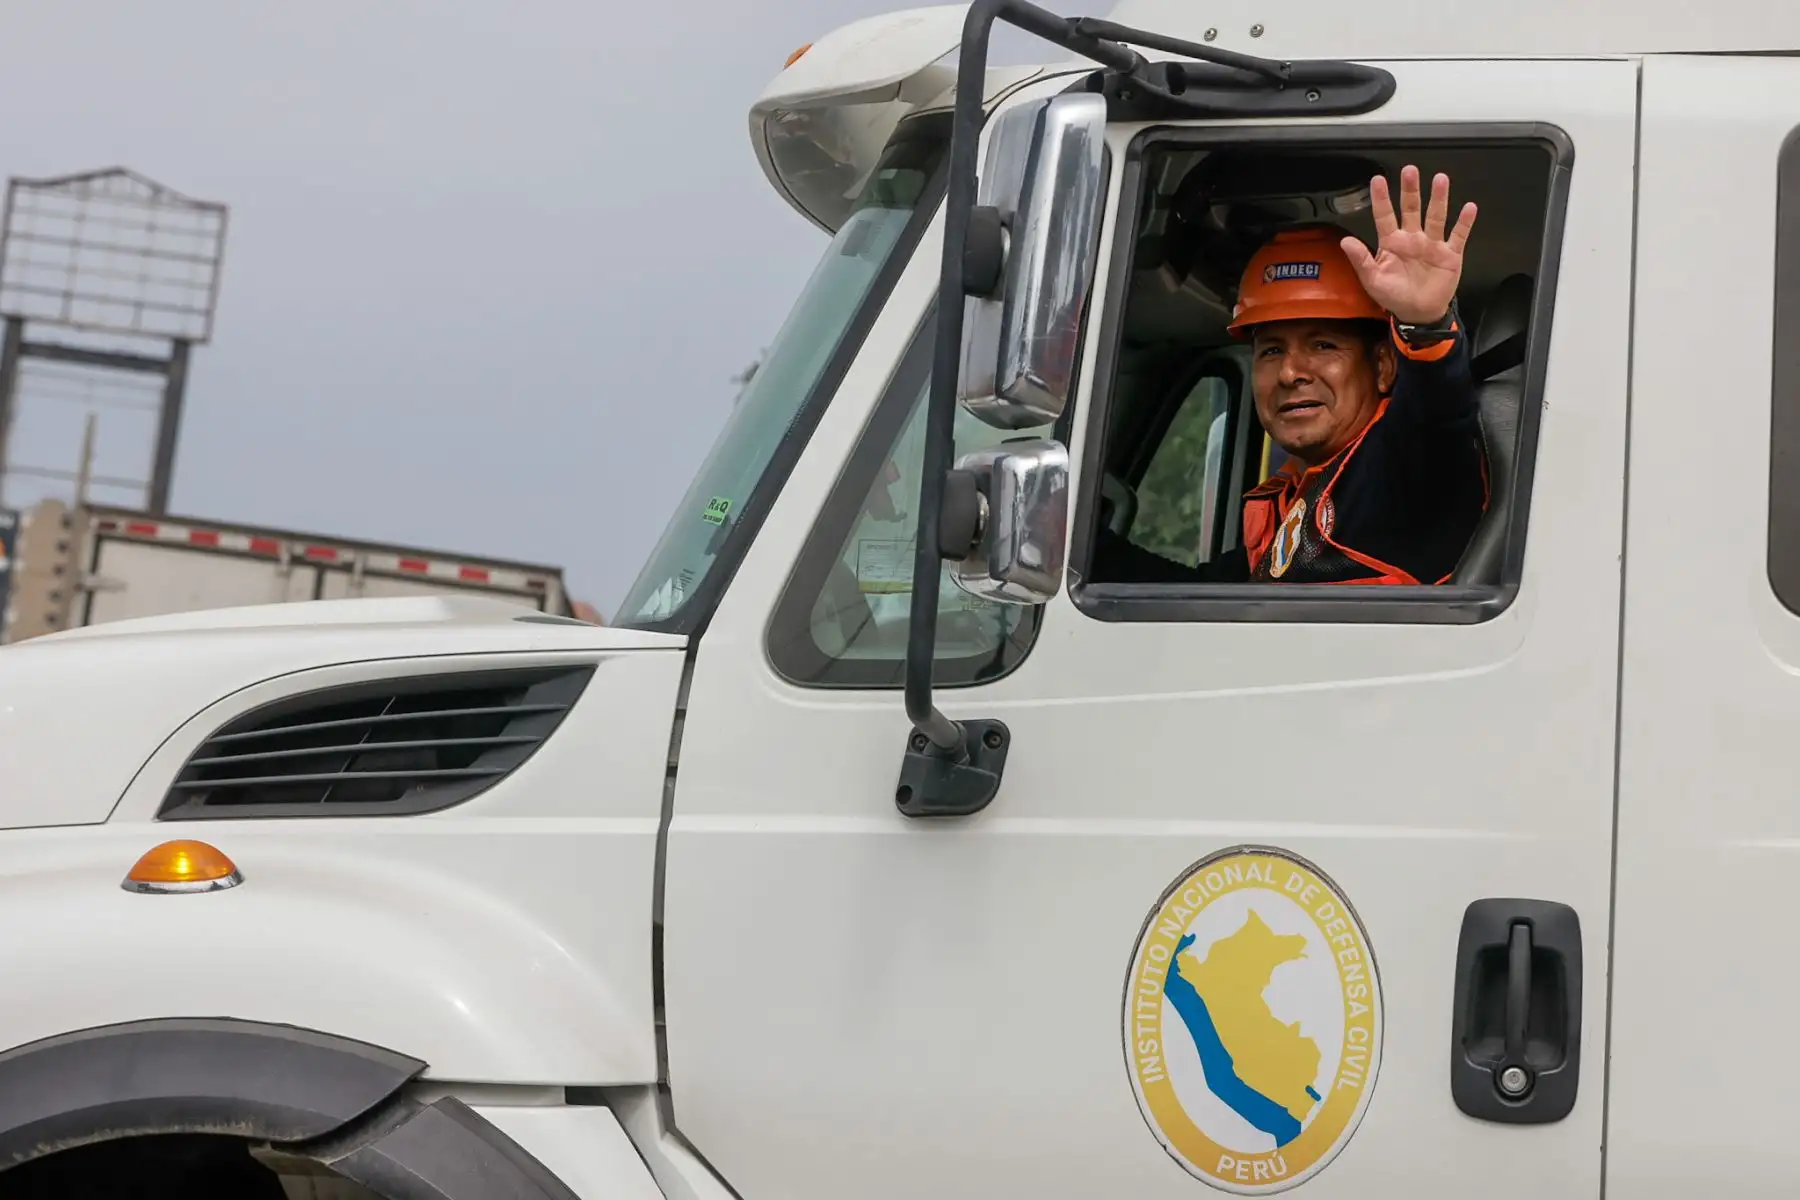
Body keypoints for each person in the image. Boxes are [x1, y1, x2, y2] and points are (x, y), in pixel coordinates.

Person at [1095, 165, 1486, 585]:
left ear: (1384, 366)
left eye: (1323, 346)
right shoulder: (1295, 500)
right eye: (1272, 350)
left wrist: (1424, 323)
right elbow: (1196, 596)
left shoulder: (1400, 471)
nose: (1290, 371)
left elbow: (1437, 415)